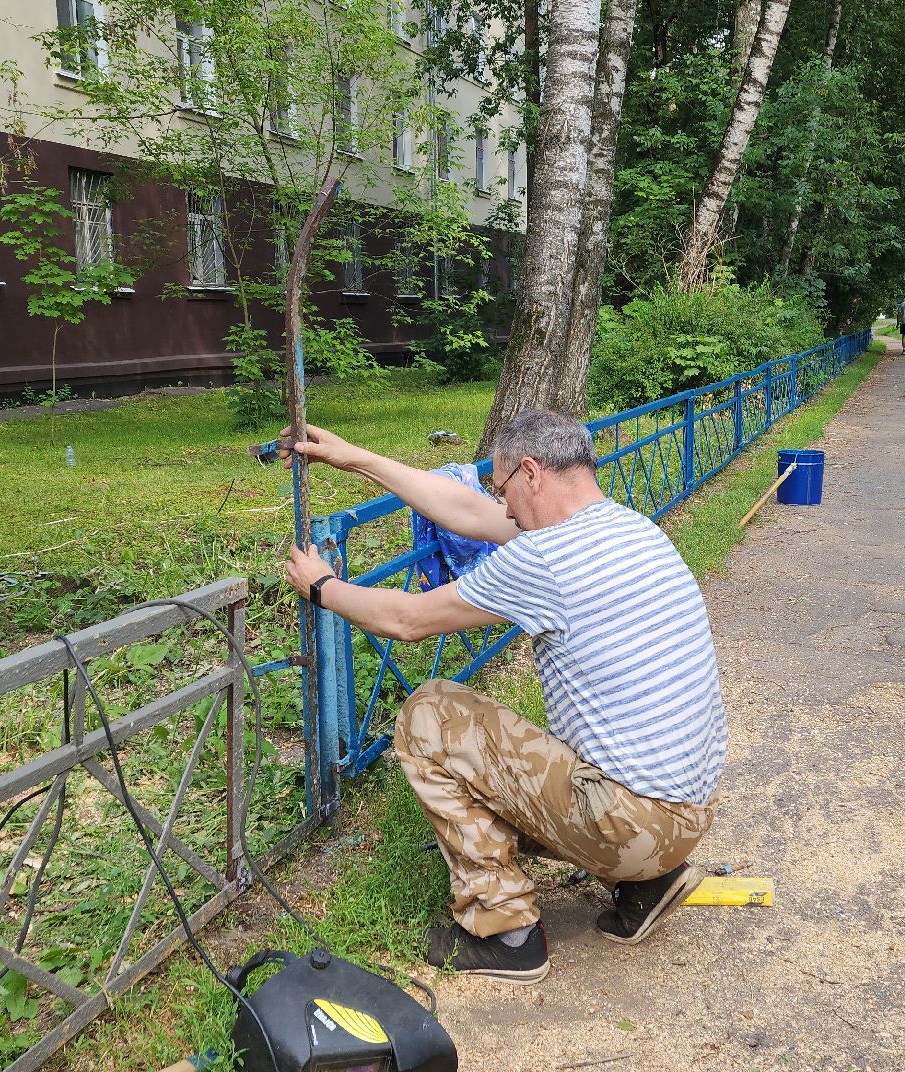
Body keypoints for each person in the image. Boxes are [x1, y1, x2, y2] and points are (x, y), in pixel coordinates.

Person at [280, 410, 726, 984]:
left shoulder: (545, 558)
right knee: (555, 751)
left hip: (632, 826)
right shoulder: (629, 529)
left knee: (429, 716)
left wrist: (322, 586)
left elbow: (409, 620)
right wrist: (357, 457)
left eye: (504, 488)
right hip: (686, 817)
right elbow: (467, 513)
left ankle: (506, 930)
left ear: (532, 473)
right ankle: (647, 885)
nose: (505, 507)